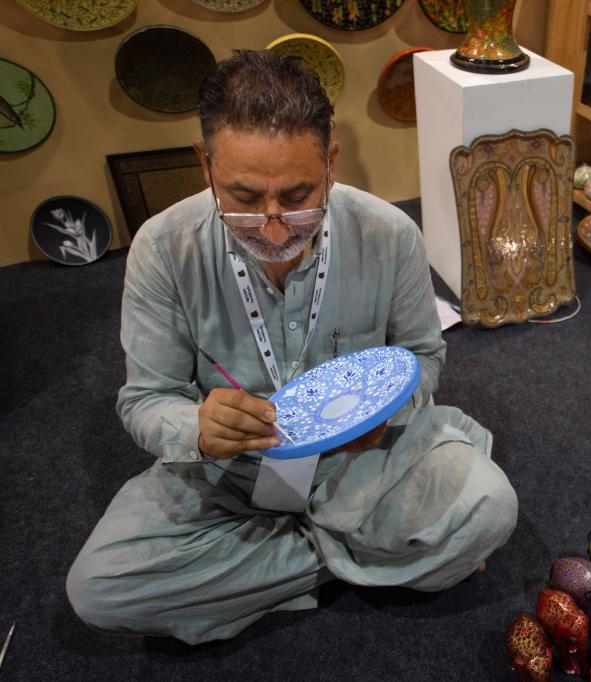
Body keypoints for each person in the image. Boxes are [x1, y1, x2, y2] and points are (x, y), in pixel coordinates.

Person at [65, 50, 518, 645]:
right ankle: (363, 557)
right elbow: (147, 399)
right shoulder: (164, 247)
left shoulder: (389, 234)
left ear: (331, 163)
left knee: (490, 505)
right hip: (232, 471)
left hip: (363, 458)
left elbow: (423, 356)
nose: (274, 227)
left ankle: (283, 566)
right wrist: (198, 427)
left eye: (298, 195)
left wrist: (386, 416)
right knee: (100, 587)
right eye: (245, 198)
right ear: (205, 166)